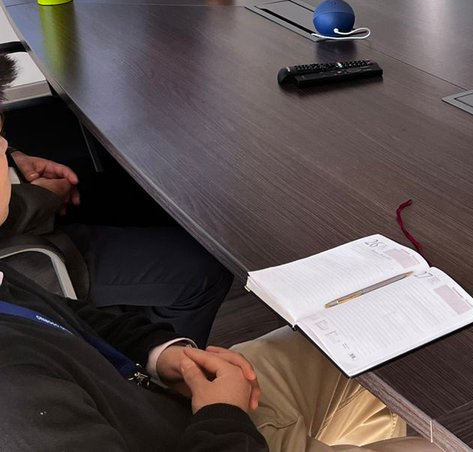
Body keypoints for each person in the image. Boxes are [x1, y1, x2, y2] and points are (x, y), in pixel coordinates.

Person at [0, 133, 438, 450]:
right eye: (0, 143)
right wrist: (222, 417)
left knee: (383, 337)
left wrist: (162, 355)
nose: (8, 153)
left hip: (176, 405)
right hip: (214, 432)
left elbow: (70, 319)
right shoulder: (19, 407)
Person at [0, 53, 231, 345]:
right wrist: (42, 197)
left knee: (136, 194)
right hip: (26, 253)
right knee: (203, 272)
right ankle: (164, 375)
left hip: (28, 211)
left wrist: (13, 157)